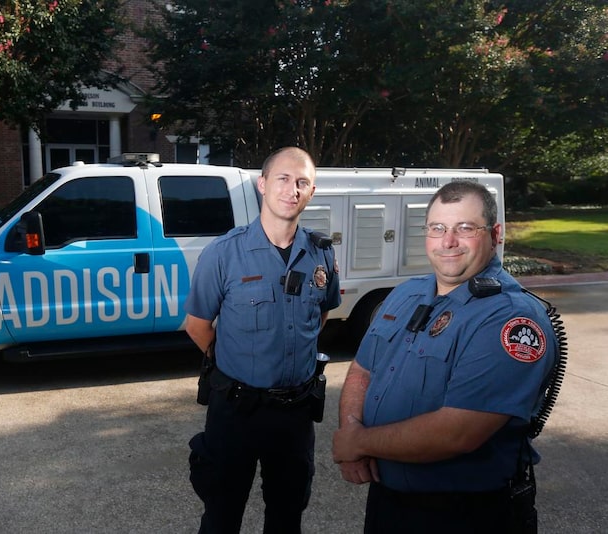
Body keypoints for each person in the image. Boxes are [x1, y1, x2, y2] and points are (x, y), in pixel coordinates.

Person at [332, 180, 559, 533]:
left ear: (495, 234)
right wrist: (351, 425)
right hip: (389, 503)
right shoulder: (406, 294)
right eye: (437, 228)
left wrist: (356, 442)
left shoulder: (512, 319)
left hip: (465, 513)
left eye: (465, 228)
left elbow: (458, 433)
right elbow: (362, 369)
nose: (448, 241)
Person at [184, 147, 341, 533]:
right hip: (236, 409)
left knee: (287, 515)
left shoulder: (322, 255)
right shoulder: (224, 253)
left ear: (312, 191)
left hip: (295, 413)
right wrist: (239, 361)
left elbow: (320, 316)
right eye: (283, 179)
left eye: (302, 182)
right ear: (263, 184)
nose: (292, 189)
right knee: (222, 515)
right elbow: (197, 324)